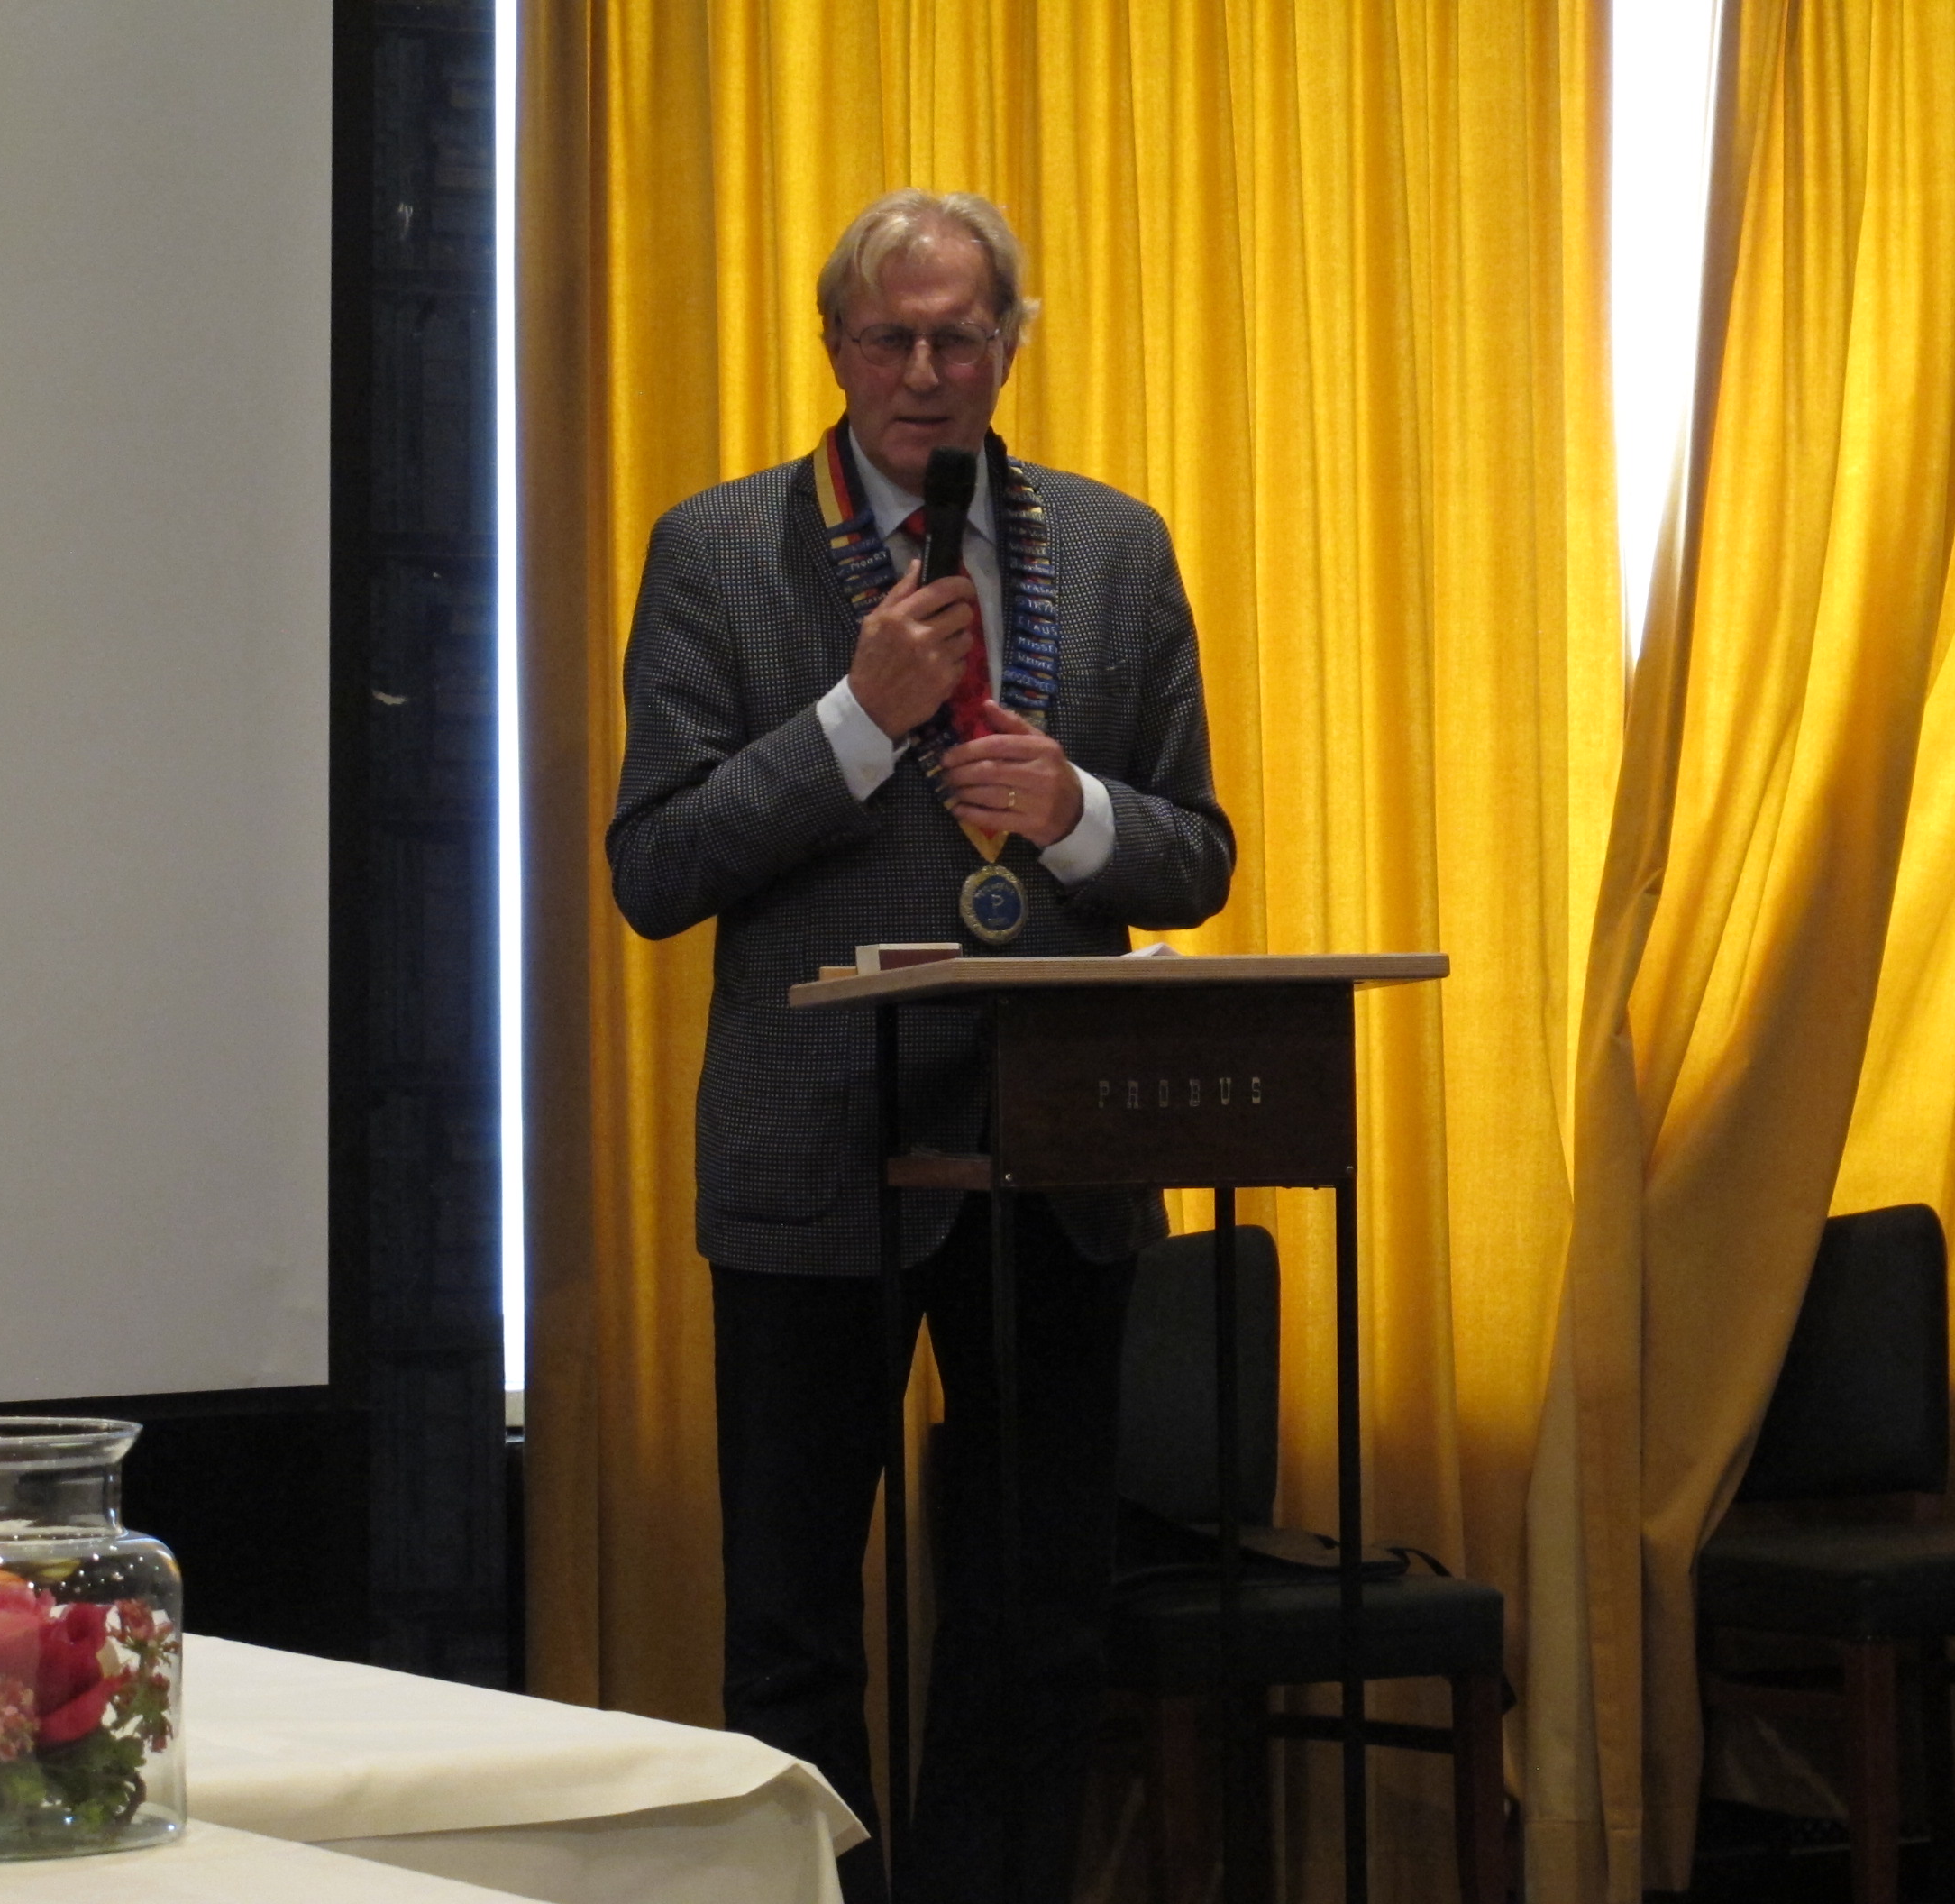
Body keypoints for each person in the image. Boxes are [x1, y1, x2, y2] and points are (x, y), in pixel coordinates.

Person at [607, 188, 1233, 1904]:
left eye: (962, 337)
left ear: (1010, 347)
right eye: (891, 338)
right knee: (796, 1628)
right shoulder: (717, 549)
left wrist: (1080, 811)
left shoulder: (1112, 547)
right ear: (836, 347)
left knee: (1040, 1619)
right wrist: (851, 722)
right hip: (816, 1155)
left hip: (1056, 1157)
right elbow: (653, 870)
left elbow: (1197, 852)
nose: (926, 372)